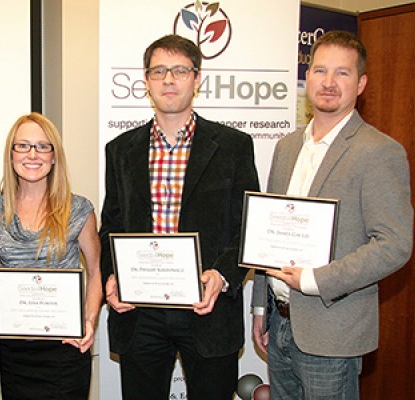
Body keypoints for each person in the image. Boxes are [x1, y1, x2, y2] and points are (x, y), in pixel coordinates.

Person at [252, 31, 413, 400]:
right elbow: (268, 233)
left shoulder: (378, 152)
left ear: (361, 83)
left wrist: (315, 279)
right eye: (320, 70)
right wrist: (261, 306)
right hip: (279, 323)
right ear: (306, 78)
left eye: (342, 73)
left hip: (332, 330)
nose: (328, 82)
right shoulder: (287, 147)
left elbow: (394, 244)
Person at [99, 34, 260, 400]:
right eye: (159, 71)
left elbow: (247, 226)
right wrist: (112, 278)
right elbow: (112, 225)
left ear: (197, 79)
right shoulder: (120, 150)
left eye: (179, 70)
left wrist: (221, 275)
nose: (168, 80)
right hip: (140, 312)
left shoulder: (233, 146)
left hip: (208, 308)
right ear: (146, 81)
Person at [0, 112, 102, 399]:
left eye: (43, 146)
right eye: (23, 146)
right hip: (16, 350)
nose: (32, 154)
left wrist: (89, 321)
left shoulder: (79, 210)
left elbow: (95, 271)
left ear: (54, 156)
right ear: (11, 154)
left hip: (66, 348)